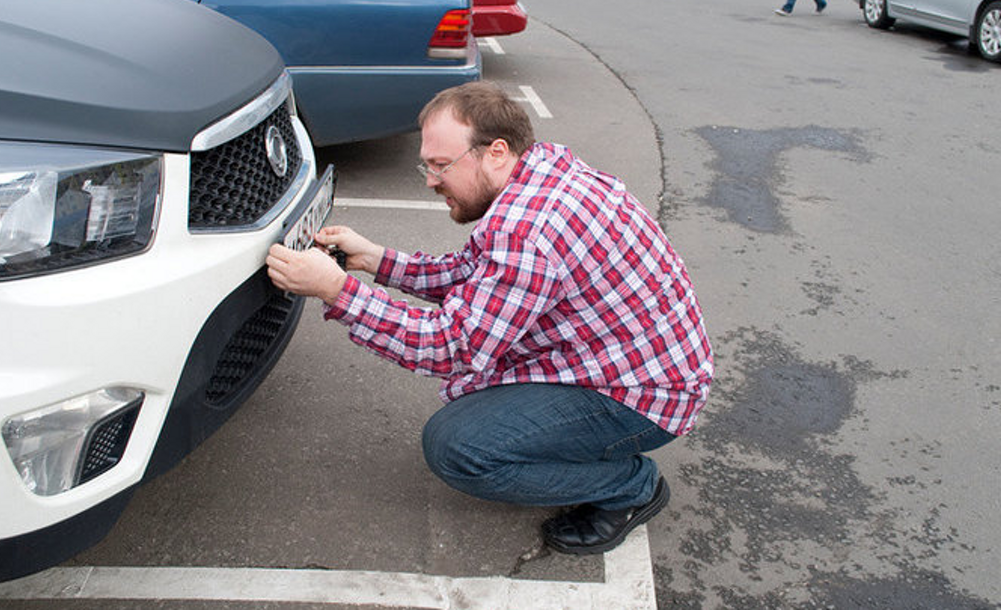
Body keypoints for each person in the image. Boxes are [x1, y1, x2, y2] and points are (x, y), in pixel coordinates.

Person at [266, 82, 713, 555]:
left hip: (642, 398)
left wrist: (337, 290)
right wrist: (377, 260)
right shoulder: (543, 172)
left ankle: (630, 486)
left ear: (496, 152)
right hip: (633, 364)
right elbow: (474, 274)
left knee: (459, 449)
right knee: (477, 409)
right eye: (427, 165)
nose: (430, 180)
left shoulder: (528, 229)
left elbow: (452, 346)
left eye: (441, 166)